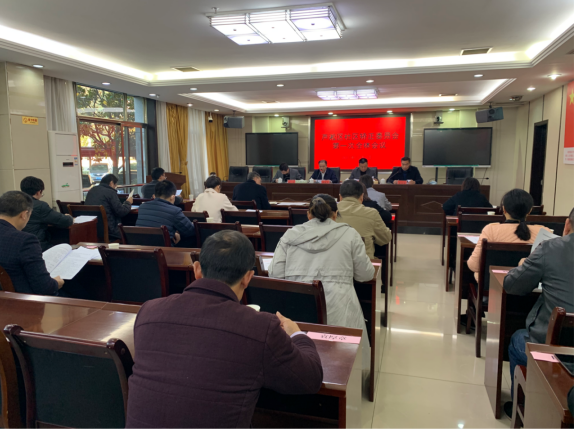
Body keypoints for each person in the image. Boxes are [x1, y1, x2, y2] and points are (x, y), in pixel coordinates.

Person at [126, 230, 323, 428]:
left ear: (197, 270)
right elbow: (310, 379)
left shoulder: (148, 312)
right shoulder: (260, 328)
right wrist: (297, 334)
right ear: (248, 277)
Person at [268, 195, 374, 348]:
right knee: (344, 355)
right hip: (340, 311)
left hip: (298, 310)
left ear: (308, 214)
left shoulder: (290, 235)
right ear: (335, 215)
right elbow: (366, 274)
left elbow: (275, 274)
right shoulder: (350, 234)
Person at [501, 208, 574, 418]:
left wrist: (525, 264)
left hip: (556, 355)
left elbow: (512, 285)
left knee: (518, 339)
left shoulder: (551, 248)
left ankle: (524, 410)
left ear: (567, 225)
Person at [467, 189, 550, 279]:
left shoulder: (490, 230)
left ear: (504, 209)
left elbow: (473, 265)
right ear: (529, 211)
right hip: (529, 285)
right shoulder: (544, 232)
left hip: (493, 284)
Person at [0, 191, 64, 295]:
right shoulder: (25, 240)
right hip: (22, 300)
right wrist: (57, 283)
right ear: (24, 215)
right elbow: (44, 288)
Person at [336, 180, 392, 259]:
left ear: (340, 197)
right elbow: (385, 239)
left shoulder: (329, 213)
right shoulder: (371, 213)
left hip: (335, 261)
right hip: (363, 263)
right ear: (362, 197)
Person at [20, 176, 73, 251]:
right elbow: (66, 221)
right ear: (39, 192)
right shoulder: (40, 206)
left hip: (19, 245)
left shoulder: (14, 203)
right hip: (38, 246)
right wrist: (69, 217)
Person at [136, 180, 195, 245]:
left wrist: (173, 232)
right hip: (163, 249)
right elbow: (190, 231)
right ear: (173, 197)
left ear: (154, 196)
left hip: (141, 247)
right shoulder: (175, 211)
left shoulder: (142, 207)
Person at [85, 174, 133, 241]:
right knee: (131, 231)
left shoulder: (92, 190)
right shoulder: (110, 192)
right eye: (115, 185)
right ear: (111, 183)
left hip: (93, 229)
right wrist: (128, 202)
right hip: (110, 231)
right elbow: (121, 211)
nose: (115, 187)